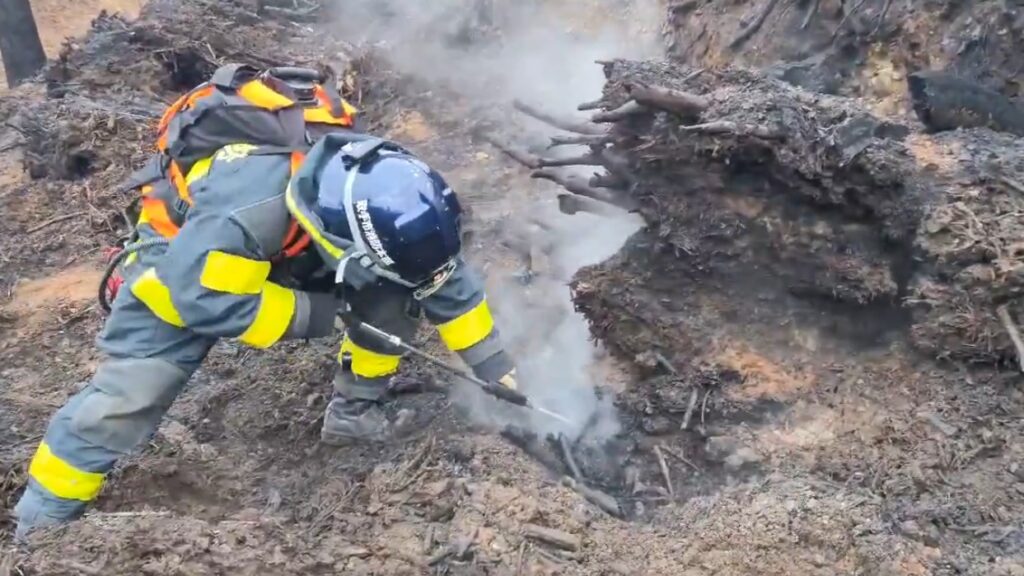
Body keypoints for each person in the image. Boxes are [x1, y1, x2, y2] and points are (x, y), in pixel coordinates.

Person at [14, 65, 518, 538]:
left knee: (392, 289)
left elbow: (441, 279)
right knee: (135, 391)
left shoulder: (391, 193)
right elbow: (203, 300)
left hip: (292, 236)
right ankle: (41, 523)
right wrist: (321, 312)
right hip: (184, 258)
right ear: (340, 239)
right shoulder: (248, 207)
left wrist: (499, 374)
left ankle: (355, 413)